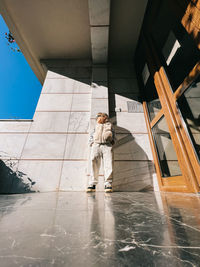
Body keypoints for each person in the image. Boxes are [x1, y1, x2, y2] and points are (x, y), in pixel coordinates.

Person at [87, 112, 115, 193]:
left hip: (107, 145)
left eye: (103, 116)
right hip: (96, 145)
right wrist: (92, 143)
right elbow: (92, 134)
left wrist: (112, 142)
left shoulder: (110, 125)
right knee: (94, 162)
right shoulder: (96, 125)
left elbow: (114, 134)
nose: (101, 117)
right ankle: (92, 183)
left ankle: (108, 183)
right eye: (99, 116)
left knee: (108, 163)